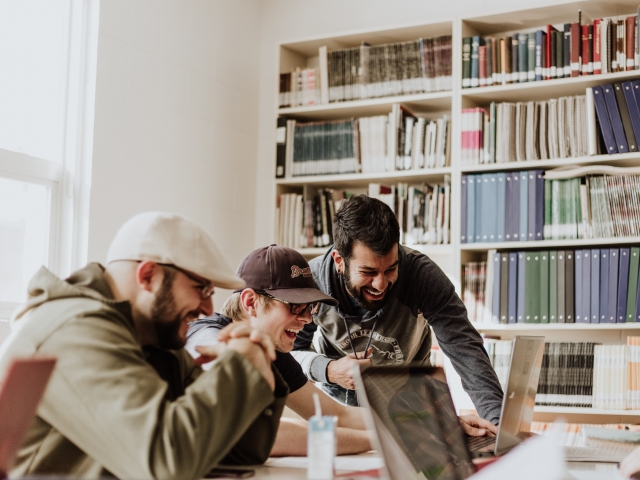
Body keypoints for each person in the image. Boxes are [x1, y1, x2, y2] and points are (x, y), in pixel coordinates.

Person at [0, 212, 288, 480]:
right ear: (148, 275)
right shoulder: (75, 330)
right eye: (201, 288)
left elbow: (238, 452)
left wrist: (258, 366)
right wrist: (240, 367)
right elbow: (165, 464)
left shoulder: (154, 338)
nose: (208, 307)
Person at [186, 245, 496, 457]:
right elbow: (262, 433)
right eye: (295, 307)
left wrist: (432, 423)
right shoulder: (209, 339)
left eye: (311, 308)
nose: (307, 319)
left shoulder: (273, 351)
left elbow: (335, 414)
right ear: (251, 302)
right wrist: (397, 439)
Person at [291, 194, 505, 426]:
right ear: (339, 261)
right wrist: (329, 370)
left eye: (391, 269)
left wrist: (497, 425)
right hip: (340, 412)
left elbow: (466, 351)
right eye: (368, 272)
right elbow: (291, 353)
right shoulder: (312, 283)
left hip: (412, 408)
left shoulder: (423, 276)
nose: (380, 284)